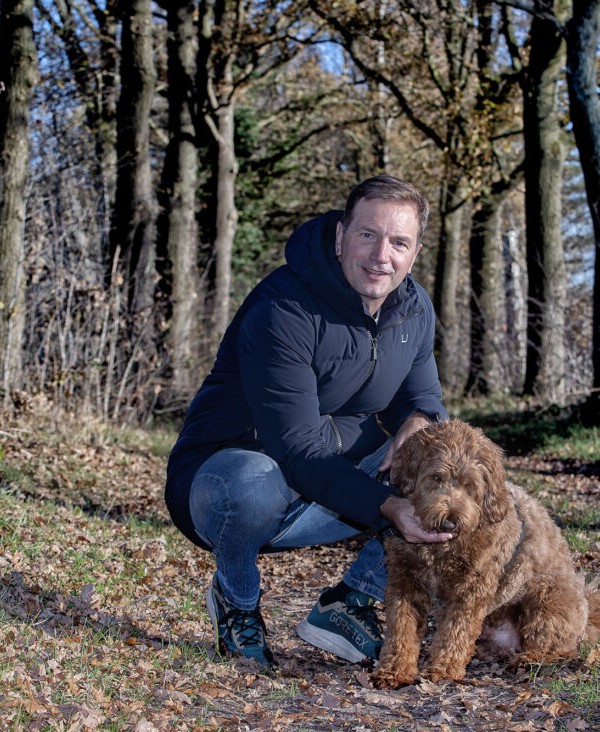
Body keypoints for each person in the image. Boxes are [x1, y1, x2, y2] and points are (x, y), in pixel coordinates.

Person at [165, 175, 453, 668]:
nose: (381, 254)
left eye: (398, 242)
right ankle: (236, 601)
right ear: (341, 236)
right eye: (368, 234)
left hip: (328, 481)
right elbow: (296, 448)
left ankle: (349, 603)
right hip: (228, 479)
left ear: (415, 251)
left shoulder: (413, 308)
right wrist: (388, 505)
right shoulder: (283, 307)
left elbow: (422, 395)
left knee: (450, 473)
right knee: (251, 484)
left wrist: (419, 421)